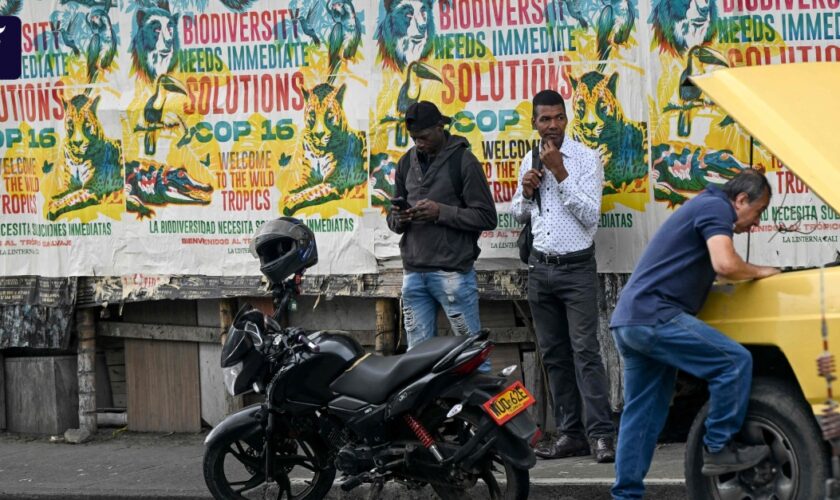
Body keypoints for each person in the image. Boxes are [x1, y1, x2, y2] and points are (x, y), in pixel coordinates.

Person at [610, 170, 779, 499]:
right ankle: (718, 447)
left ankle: (625, 496)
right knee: (733, 362)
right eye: (757, 212)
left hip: (629, 321)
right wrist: (764, 271)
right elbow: (726, 265)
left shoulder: (702, 205)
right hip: (655, 318)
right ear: (741, 200)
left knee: (641, 418)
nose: (755, 223)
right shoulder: (716, 207)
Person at [511, 89, 615, 463]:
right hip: (540, 270)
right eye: (544, 119)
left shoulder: (587, 159)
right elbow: (519, 215)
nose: (552, 126)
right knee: (554, 355)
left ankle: (601, 434)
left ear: (567, 119)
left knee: (586, 353)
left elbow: (591, 216)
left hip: (576, 270)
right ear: (535, 122)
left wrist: (560, 172)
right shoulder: (528, 157)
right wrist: (524, 193)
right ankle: (571, 434)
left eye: (558, 118)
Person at [387, 101, 497, 368]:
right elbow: (392, 220)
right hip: (413, 273)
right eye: (414, 139)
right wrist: (399, 218)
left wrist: (441, 212)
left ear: (441, 127)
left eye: (424, 137)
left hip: (452, 275)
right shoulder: (405, 163)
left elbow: (487, 218)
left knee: (472, 356)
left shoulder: (464, 161)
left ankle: (482, 410)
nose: (419, 144)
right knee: (417, 361)